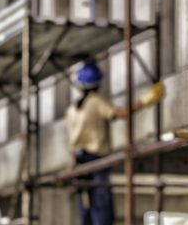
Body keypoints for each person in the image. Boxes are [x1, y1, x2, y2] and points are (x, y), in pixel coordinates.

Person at [65, 60, 163, 225]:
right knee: (102, 208)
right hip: (95, 160)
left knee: (85, 208)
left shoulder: (72, 109)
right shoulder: (95, 101)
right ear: (97, 83)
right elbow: (121, 113)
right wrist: (146, 100)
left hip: (78, 162)